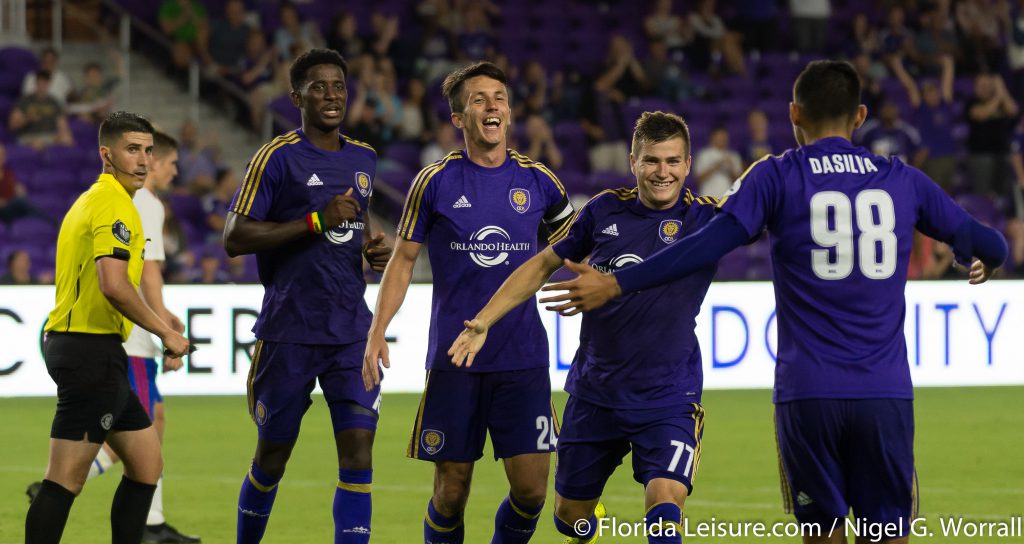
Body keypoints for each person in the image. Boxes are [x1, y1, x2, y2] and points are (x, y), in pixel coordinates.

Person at [539, 60, 1008, 544]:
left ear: (794, 114)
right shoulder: (902, 178)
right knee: (887, 534)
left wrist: (617, 283)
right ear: (861, 115)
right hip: (883, 392)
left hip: (807, 393)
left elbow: (705, 245)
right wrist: (977, 256)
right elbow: (992, 244)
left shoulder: (778, 176)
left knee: (822, 534)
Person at [447, 111, 718, 544]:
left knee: (665, 504)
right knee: (570, 517)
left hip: (667, 396)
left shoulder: (706, 221)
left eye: (672, 161)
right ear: (633, 161)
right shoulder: (603, 210)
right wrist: (483, 321)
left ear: (688, 164)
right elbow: (541, 264)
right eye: (651, 161)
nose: (662, 172)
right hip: (596, 394)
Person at [362, 61, 574, 544]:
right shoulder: (434, 182)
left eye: (499, 97)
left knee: (532, 492)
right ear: (459, 119)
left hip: (522, 358)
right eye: (479, 99)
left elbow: (574, 249)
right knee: (451, 492)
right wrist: (377, 330)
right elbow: (401, 261)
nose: (492, 106)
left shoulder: (540, 182)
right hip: (455, 359)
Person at [223, 48, 392, 544]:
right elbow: (235, 237)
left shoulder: (364, 158)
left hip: (350, 332)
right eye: (318, 87)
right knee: (272, 457)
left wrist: (369, 248)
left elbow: (352, 226)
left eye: (338, 85)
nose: (331, 95)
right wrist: (316, 221)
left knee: (359, 452)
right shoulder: (276, 157)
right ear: (296, 96)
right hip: (290, 330)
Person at [25, 130, 201, 543]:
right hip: (90, 350)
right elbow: (114, 285)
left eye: (148, 151)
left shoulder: (95, 198)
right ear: (107, 154)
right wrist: (165, 332)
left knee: (146, 464)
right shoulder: (115, 205)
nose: (143, 160)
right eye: (132, 150)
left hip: (97, 349)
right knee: (64, 480)